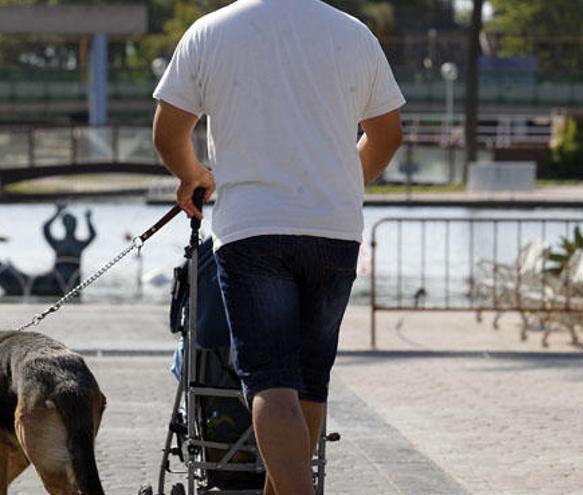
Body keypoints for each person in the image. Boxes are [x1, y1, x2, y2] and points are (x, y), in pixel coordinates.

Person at [151, 1, 404, 493]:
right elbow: (387, 136)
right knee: (310, 382)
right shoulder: (353, 34)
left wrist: (193, 175)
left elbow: (168, 131)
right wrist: (342, 185)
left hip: (253, 229)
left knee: (270, 381)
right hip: (334, 229)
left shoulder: (211, 32)